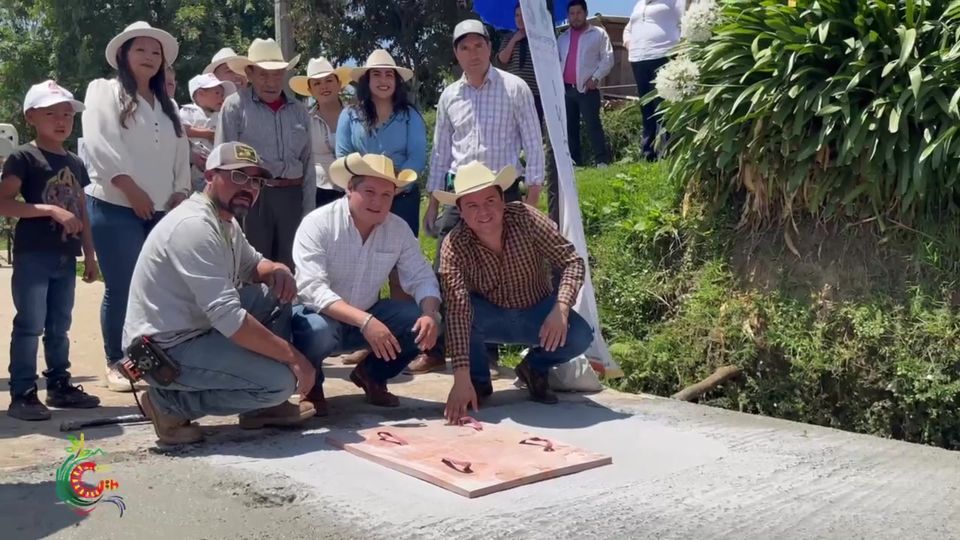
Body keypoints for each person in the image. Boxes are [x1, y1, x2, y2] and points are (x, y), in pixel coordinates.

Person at [123, 142, 317, 445]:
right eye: (238, 176)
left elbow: (253, 265)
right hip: (165, 349)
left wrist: (277, 269)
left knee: (274, 295)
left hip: (197, 328)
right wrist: (295, 358)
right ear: (210, 175)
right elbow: (231, 320)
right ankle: (167, 406)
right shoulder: (194, 226)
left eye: (256, 181)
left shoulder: (224, 221)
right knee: (279, 382)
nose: (249, 187)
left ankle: (261, 410)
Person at [420, 19, 545, 376]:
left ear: (490, 48)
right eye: (464, 47)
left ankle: (486, 353)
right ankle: (438, 348)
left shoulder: (515, 87)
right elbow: (441, 150)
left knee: (496, 271)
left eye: (478, 45)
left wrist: (531, 199)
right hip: (458, 196)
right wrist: (433, 201)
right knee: (445, 269)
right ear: (455, 53)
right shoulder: (449, 95)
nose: (472, 53)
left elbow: (533, 142)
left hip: (501, 191)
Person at [434, 161, 594, 423]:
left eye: (489, 201)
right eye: (472, 206)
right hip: (488, 316)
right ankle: (477, 382)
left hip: (538, 311)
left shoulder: (526, 218)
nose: (483, 212)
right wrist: (459, 379)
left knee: (580, 335)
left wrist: (561, 307)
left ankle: (534, 366)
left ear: (502, 199)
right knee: (461, 315)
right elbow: (458, 311)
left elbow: (572, 261)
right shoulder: (454, 246)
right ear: (460, 212)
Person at [81, 21, 191, 391]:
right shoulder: (104, 91)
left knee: (155, 290)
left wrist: (180, 192)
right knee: (122, 286)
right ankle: (117, 361)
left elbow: (181, 153)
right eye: (140, 49)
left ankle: (148, 359)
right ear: (123, 55)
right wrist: (130, 189)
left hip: (161, 209)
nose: (149, 56)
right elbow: (98, 142)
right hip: (115, 205)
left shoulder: (168, 105)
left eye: (155, 51)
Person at [291, 153, 442, 411]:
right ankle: (312, 384)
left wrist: (430, 313)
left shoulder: (398, 229)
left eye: (387, 195)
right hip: (319, 315)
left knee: (425, 323)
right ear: (349, 189)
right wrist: (365, 321)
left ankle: (372, 375)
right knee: (316, 331)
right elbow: (312, 289)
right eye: (369, 191)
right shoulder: (317, 223)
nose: (378, 202)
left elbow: (421, 276)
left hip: (368, 311)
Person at [1, 81, 101, 421]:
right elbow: (4, 203)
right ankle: (23, 393)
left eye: (67, 115)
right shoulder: (23, 157)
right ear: (31, 116)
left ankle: (59, 383)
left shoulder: (74, 161)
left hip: (65, 256)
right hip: (34, 255)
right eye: (52, 114)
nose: (61, 121)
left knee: (60, 324)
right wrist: (49, 210)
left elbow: (83, 211)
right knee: (30, 324)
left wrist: (89, 254)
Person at [216, 38, 315, 270]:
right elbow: (222, 159)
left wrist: (308, 208)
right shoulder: (234, 106)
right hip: (252, 196)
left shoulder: (299, 111)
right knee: (254, 266)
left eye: (277, 74)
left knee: (292, 266)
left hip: (292, 196)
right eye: (263, 74)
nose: (271, 82)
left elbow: (309, 161)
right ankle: (255, 307)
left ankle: (288, 308)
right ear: (249, 73)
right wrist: (225, 209)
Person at [336, 49, 427, 237]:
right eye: (376, 75)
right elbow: (343, 157)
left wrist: (391, 190)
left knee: (401, 258)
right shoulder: (349, 115)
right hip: (362, 199)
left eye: (389, 75)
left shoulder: (410, 116)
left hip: (402, 199)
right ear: (367, 80)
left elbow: (417, 158)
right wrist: (364, 192)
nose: (383, 80)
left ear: (396, 81)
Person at [497, 2, 559, 222]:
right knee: (513, 135)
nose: (519, 19)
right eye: (516, 15)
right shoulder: (508, 37)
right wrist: (515, 39)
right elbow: (502, 59)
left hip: (536, 93)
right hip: (512, 95)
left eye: (523, 15)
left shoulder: (540, 39)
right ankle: (517, 169)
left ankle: (534, 173)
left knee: (535, 136)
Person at [623, 0, 684, 161]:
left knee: (665, 107)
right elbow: (628, 29)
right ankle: (648, 153)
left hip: (663, 55)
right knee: (646, 108)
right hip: (638, 59)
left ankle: (670, 152)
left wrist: (681, 51)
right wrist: (629, 43)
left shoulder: (674, 2)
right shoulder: (639, 4)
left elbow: (684, 22)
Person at [289, 57, 352, 208]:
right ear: (310, 90)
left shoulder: (356, 116)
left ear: (339, 84)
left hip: (352, 186)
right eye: (317, 83)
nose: (323, 86)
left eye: (329, 80)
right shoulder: (304, 121)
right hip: (317, 189)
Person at [558, 0, 614, 167]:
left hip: (587, 89)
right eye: (572, 14)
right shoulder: (562, 38)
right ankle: (574, 162)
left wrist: (595, 78)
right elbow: (557, 61)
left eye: (578, 13)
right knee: (570, 127)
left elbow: (608, 58)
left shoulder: (598, 34)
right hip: (566, 89)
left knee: (593, 125)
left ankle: (601, 161)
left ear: (586, 13)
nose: (575, 17)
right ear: (568, 16)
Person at [180, 74, 237, 192]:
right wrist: (207, 133)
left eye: (222, 95)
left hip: (216, 167)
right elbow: (181, 130)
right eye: (217, 93)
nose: (221, 98)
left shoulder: (221, 115)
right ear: (200, 94)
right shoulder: (188, 112)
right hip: (192, 168)